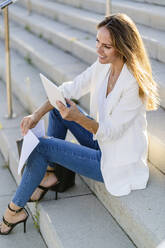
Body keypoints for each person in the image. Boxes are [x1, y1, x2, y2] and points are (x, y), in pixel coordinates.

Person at [0, 13, 159, 235]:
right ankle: (50, 175)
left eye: (106, 46)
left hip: (115, 159)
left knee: (42, 146)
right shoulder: (104, 65)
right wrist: (36, 114)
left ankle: (13, 211)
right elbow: (70, 88)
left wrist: (78, 118)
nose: (98, 50)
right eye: (97, 42)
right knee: (57, 109)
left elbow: (112, 133)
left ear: (122, 47)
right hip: (100, 140)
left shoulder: (132, 85)